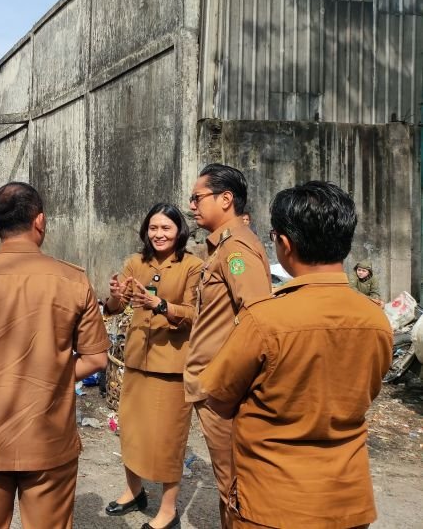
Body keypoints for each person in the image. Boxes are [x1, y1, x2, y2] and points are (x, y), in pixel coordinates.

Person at [199, 181, 392, 528]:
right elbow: (367, 390)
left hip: (272, 503)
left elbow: (219, 397)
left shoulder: (264, 319)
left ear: (285, 244)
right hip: (349, 501)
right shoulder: (377, 319)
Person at [0, 182, 110, 529]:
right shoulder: (72, 280)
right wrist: (51, 374)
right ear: (39, 221)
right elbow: (95, 359)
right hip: (48, 436)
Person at [183, 163, 272, 527]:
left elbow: (257, 319)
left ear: (225, 199)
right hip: (217, 386)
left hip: (224, 391)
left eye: (197, 197)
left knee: (235, 490)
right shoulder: (223, 247)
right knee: (230, 486)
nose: (192, 205)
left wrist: (224, 381)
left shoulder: (236, 250)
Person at [104, 203, 202, 529]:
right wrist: (115, 294)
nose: (159, 234)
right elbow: (116, 306)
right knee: (131, 431)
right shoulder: (136, 262)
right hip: (136, 361)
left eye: (166, 228)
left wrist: (160, 304)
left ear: (179, 231)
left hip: (171, 365)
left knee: (168, 440)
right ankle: (134, 491)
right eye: (153, 228)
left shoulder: (192, 266)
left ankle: (168, 510)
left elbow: (195, 314)